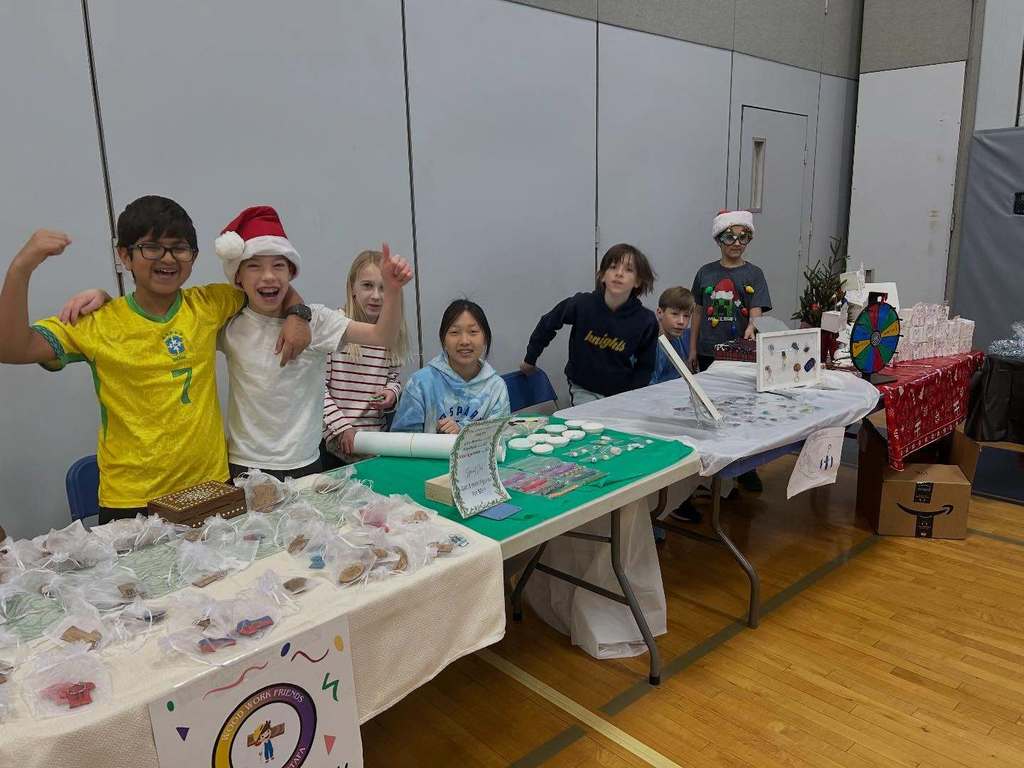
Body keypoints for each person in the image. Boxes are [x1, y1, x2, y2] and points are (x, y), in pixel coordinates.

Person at [0, 196, 309, 523]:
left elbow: (269, 285)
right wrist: (23, 266)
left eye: (179, 248)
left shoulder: (208, 303)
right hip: (132, 500)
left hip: (211, 487)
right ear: (124, 256)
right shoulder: (95, 321)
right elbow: (12, 348)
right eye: (151, 247)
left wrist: (298, 315)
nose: (167, 258)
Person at [60, 205, 412, 482]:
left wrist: (393, 292)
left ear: (292, 274)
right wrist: (108, 300)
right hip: (242, 466)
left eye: (279, 266)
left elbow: (381, 335)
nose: (269, 276)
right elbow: (162, 318)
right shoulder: (227, 321)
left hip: (306, 461)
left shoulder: (316, 320)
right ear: (237, 277)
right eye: (254, 266)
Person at [689, 208, 772, 494]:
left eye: (743, 237)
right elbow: (698, 312)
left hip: (741, 353)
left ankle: (746, 467)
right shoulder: (705, 273)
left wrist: (754, 327)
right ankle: (713, 468)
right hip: (709, 351)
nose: (737, 242)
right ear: (718, 238)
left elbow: (757, 311)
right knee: (712, 411)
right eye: (730, 236)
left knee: (743, 412)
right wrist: (692, 347)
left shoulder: (754, 274)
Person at [520, 243, 659, 405]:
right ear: (602, 275)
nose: (619, 274)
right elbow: (548, 323)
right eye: (613, 267)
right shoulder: (582, 304)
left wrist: (631, 396)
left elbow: (645, 366)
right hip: (583, 387)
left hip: (621, 393)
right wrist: (530, 358)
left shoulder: (645, 321)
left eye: (628, 270)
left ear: (638, 281)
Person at [323, 250, 409, 463]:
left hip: (374, 440)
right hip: (335, 441)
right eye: (367, 286)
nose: (376, 296)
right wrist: (342, 428)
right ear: (353, 288)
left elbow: (394, 379)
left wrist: (391, 393)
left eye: (384, 287)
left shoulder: (393, 331)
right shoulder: (334, 327)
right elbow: (317, 391)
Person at [392, 299, 509, 433]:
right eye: (454, 332)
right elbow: (402, 442)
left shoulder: (496, 387)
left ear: (485, 339)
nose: (464, 341)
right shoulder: (420, 384)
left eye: (473, 332)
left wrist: (462, 431)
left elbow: (500, 438)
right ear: (443, 340)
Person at [650, 286, 694, 385]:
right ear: (660, 313)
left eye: (686, 316)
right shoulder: (647, 343)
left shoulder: (684, 337)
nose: (681, 322)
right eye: (675, 314)